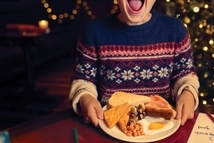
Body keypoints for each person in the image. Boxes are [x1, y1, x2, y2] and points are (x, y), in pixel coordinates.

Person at [69, 0, 200, 127]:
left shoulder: (176, 30)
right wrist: (85, 97)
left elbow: (185, 74)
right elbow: (83, 79)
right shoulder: (92, 33)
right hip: (111, 126)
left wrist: (188, 93)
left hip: (162, 125)